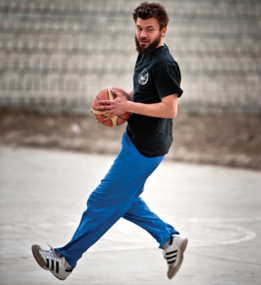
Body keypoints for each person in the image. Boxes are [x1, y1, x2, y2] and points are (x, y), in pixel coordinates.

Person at [32, 2, 188, 281]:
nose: (142, 33)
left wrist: (128, 107)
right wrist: (123, 100)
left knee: (102, 200)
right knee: (126, 202)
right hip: (136, 139)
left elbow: (169, 108)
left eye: (149, 29)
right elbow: (144, 92)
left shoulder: (165, 64)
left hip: (145, 148)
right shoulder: (145, 55)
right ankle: (168, 239)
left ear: (163, 31)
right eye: (139, 28)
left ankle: (66, 259)